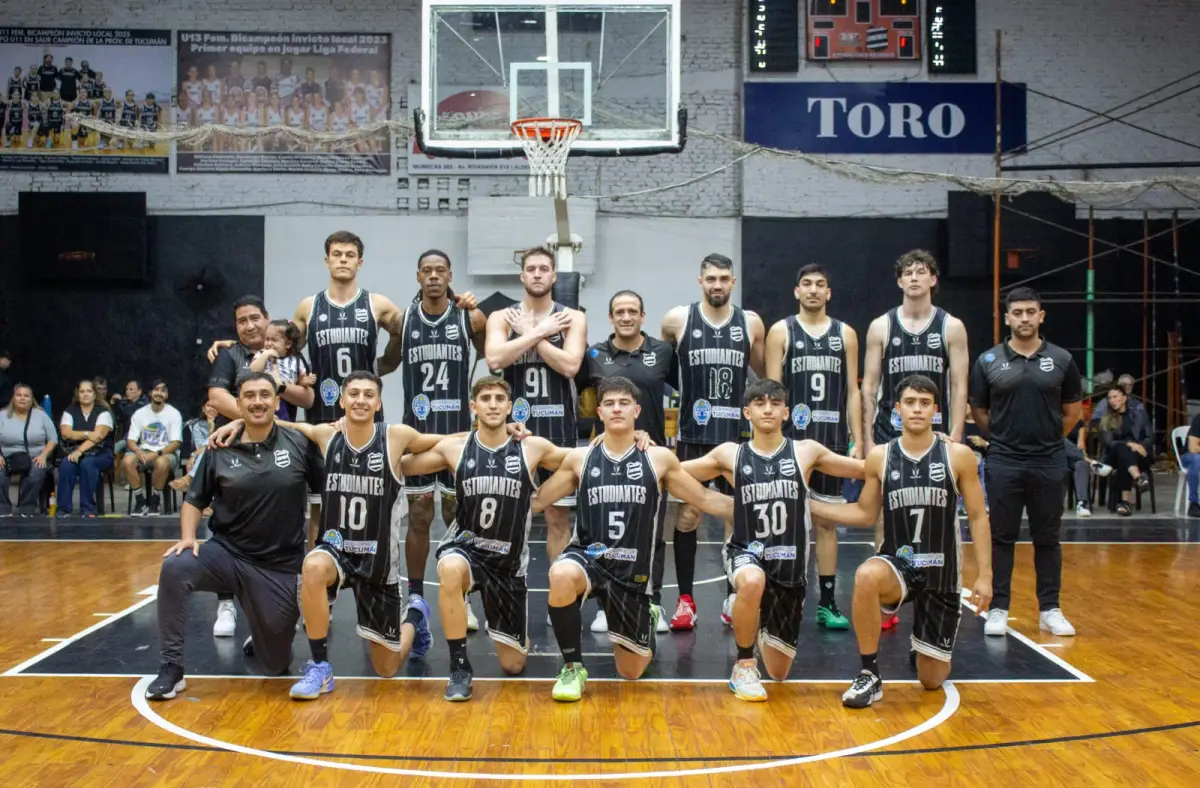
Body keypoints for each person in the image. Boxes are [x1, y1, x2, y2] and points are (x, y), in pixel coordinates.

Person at [208, 371, 450, 700]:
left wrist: (496, 433)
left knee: (387, 668)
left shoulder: (396, 436)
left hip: (378, 561)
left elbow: (442, 442)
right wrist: (239, 422)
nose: (360, 400)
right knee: (313, 566)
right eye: (354, 394)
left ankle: (416, 615)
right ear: (342, 400)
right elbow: (283, 427)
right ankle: (320, 667)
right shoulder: (326, 435)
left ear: (378, 402)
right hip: (336, 550)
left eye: (368, 395)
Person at [533, 377, 735, 702]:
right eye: (609, 404)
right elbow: (537, 501)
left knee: (632, 671)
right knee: (560, 574)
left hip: (633, 574)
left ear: (637, 411)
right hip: (589, 559)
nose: (616, 409)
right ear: (599, 412)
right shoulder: (580, 459)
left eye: (623, 403)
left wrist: (752, 509)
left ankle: (648, 618)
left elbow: (706, 500)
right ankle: (572, 667)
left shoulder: (658, 459)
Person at [807, 374, 992, 708]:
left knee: (931, 680)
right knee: (866, 575)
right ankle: (870, 674)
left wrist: (985, 575)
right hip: (900, 564)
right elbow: (864, 514)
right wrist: (808, 505)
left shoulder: (959, 456)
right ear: (897, 410)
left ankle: (923, 643)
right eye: (910, 402)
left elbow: (978, 517)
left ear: (936, 411)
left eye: (924, 403)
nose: (917, 410)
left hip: (942, 571)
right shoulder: (881, 456)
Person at [680, 379, 865, 701]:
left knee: (779, 672)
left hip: (790, 563)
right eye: (760, 403)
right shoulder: (730, 454)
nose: (768, 408)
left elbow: (865, 469)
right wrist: (641, 443)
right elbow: (672, 470)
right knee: (751, 581)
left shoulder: (806, 451)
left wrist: (928, 445)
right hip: (746, 551)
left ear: (786, 413)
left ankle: (761, 623)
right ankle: (744, 665)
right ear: (746, 412)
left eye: (775, 403)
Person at [146, 373, 325, 701]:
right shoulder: (219, 446)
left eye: (264, 395)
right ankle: (171, 668)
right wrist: (188, 537)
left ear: (276, 402)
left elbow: (326, 492)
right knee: (175, 566)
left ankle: (261, 635)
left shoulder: (299, 444)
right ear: (239, 404)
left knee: (275, 664)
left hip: (278, 566)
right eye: (249, 396)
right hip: (227, 555)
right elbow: (194, 500)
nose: (257, 401)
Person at [401, 376, 576, 701]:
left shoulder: (531, 447)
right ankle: (459, 667)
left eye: (499, 399)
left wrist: (628, 437)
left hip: (509, 565)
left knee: (513, 665)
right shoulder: (456, 447)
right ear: (474, 406)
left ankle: (510, 635)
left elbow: (580, 460)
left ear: (510, 407)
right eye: (485, 399)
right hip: (466, 549)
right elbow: (402, 463)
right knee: (450, 567)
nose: (493, 404)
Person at [860, 249, 968, 630]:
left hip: (936, 434)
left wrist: (955, 435)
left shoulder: (951, 327)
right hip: (891, 432)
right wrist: (867, 438)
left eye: (923, 272)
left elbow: (958, 383)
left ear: (933, 280)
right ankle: (887, 599)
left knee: (939, 511)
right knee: (885, 516)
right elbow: (869, 385)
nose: (916, 278)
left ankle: (937, 587)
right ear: (900, 281)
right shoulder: (881, 326)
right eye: (909, 272)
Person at [377, 249, 486, 626]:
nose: (434, 276)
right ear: (418, 276)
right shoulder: (403, 319)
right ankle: (417, 598)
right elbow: (388, 363)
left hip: (457, 434)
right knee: (419, 515)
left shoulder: (468, 316)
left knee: (458, 515)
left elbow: (494, 356)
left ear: (450, 274)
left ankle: (464, 596)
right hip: (418, 436)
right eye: (427, 270)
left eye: (441, 270)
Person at [969, 287, 1082, 638]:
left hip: (1049, 461)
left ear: (1041, 316)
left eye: (1030, 311)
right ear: (1007, 318)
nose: (1024, 318)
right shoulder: (988, 361)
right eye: (1017, 312)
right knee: (1002, 536)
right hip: (1003, 460)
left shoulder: (1062, 360)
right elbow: (980, 411)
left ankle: (1050, 609)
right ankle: (999, 608)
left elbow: (1072, 411)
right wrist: (1005, 438)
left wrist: (1047, 437)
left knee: (1047, 537)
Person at [660, 253, 765, 629]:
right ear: (700, 281)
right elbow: (664, 367)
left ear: (733, 282)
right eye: (710, 279)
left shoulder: (750, 322)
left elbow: (765, 376)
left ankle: (731, 596)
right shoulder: (678, 319)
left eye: (724, 278)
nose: (717, 284)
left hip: (737, 438)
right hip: (694, 435)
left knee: (736, 518)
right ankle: (686, 599)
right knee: (689, 514)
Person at [765, 263, 861, 631]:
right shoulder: (781, 331)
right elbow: (771, 393)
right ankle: (781, 596)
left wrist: (856, 440)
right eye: (807, 284)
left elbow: (853, 391)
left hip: (832, 442)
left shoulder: (845, 334)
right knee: (784, 524)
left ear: (829, 293)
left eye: (821, 284)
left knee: (826, 523)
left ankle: (827, 601)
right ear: (796, 290)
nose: (814, 290)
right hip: (791, 443)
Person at [578, 289, 675, 634]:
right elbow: (584, 401)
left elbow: (680, 392)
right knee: (605, 533)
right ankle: (607, 604)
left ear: (643, 316)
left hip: (651, 454)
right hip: (607, 457)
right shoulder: (594, 355)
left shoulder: (664, 352)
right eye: (619, 311)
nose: (626, 316)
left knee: (651, 536)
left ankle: (652, 604)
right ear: (611, 317)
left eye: (633, 310)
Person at [485, 246, 587, 565]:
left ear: (554, 275)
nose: (538, 274)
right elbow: (494, 359)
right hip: (515, 432)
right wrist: (540, 333)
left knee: (558, 517)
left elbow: (570, 366)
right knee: (507, 516)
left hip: (558, 431)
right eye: (531, 269)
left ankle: (560, 601)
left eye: (544, 269)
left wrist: (533, 334)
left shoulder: (573, 318)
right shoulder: (501, 317)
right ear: (522, 275)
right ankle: (504, 598)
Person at [122, 380, 183, 516]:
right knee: (127, 461)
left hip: (166, 452)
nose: (159, 393)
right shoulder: (139, 413)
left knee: (161, 462)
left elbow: (175, 443)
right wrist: (137, 451)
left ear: (166, 395)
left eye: (163, 391)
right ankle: (140, 502)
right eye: (156, 390)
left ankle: (155, 500)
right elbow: (131, 440)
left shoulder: (174, 413)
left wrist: (156, 454)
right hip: (143, 451)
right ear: (150, 393)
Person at [56, 379, 115, 518]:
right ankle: (63, 509)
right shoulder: (70, 411)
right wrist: (88, 433)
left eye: (89, 391)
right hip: (74, 452)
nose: (85, 394)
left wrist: (79, 450)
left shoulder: (104, 412)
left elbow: (99, 437)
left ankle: (88, 508)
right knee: (66, 465)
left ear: (95, 394)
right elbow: (66, 433)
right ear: (77, 394)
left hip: (102, 453)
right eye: (82, 391)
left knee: (88, 463)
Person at [0, 383, 58, 516]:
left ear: (31, 399)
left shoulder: (41, 416)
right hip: (6, 456)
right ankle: (3, 508)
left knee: (36, 473)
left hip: (35, 456)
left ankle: (27, 507)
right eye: (18, 395)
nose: (22, 398)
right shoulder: (2, 415)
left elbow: (53, 439)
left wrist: (43, 455)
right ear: (13, 398)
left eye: (26, 396)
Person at [1095, 385, 1153, 516]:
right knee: (1121, 448)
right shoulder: (1107, 418)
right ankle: (1139, 479)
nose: (1112, 400)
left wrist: (1140, 446)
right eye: (1110, 398)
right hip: (1113, 456)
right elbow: (1110, 443)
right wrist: (1131, 444)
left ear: (1125, 398)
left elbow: (1150, 436)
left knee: (1125, 460)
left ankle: (1125, 503)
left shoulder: (1139, 414)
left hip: (1138, 455)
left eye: (1115, 397)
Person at [247, 319, 315, 421]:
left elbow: (301, 380)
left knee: (285, 422)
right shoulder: (262, 353)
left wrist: (304, 381)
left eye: (274, 340)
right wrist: (265, 355)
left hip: (287, 399)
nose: (268, 344)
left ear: (288, 343)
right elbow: (252, 371)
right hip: (265, 396)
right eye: (267, 339)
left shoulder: (296, 360)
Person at [1183, 412, 1200, 518]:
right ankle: (1193, 503)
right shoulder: (1199, 419)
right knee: (1197, 459)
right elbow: (1193, 448)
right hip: (1190, 456)